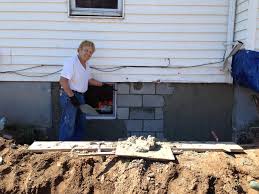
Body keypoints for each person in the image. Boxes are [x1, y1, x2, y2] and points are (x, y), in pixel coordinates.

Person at [59, 40, 103, 141]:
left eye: (90, 52)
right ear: (79, 50)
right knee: (69, 122)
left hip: (81, 96)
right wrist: (72, 97)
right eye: (86, 50)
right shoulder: (72, 62)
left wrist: (103, 85)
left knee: (80, 122)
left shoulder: (86, 65)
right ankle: (65, 148)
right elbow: (63, 81)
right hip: (69, 96)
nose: (88, 53)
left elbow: (89, 80)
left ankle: (77, 146)